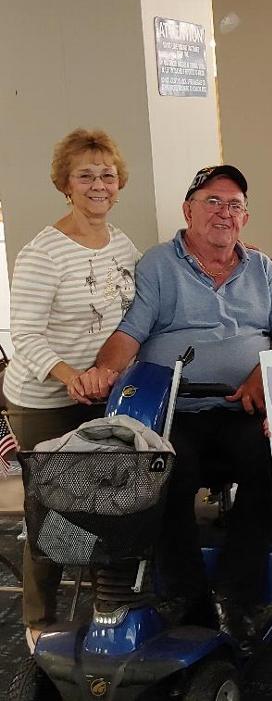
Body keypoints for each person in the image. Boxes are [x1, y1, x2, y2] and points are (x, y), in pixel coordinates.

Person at [73, 165, 272, 649]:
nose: (224, 213)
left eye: (235, 204)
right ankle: (187, 596)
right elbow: (130, 333)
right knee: (164, 470)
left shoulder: (261, 270)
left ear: (245, 217)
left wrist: (265, 371)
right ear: (188, 210)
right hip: (177, 405)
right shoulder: (159, 264)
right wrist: (104, 372)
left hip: (243, 402)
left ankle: (237, 594)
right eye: (212, 202)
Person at [4, 129, 139, 652]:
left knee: (107, 502)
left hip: (99, 394)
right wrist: (70, 376)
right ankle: (38, 618)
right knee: (50, 510)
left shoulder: (122, 243)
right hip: (43, 401)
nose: (98, 184)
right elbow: (25, 337)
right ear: (65, 183)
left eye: (107, 175)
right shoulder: (44, 253)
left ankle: (107, 602)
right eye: (86, 175)